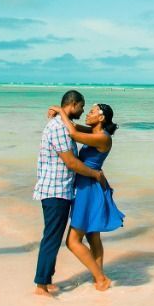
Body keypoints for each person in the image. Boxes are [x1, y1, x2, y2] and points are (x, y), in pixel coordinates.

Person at [32, 90, 109, 297]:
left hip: (64, 189)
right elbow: (71, 162)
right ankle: (41, 285)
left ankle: (46, 281)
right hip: (56, 189)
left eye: (89, 110)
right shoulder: (59, 127)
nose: (83, 111)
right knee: (52, 238)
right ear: (73, 104)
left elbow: (78, 131)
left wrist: (59, 111)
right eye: (82, 107)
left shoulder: (65, 125)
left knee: (58, 236)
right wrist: (95, 174)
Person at [47, 101, 124, 291]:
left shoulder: (103, 138)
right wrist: (62, 114)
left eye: (91, 111)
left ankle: (101, 278)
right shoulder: (94, 132)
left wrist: (60, 110)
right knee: (92, 236)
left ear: (101, 117)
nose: (87, 114)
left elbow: (73, 134)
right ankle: (99, 277)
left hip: (88, 189)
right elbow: (73, 126)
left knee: (72, 241)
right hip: (87, 184)